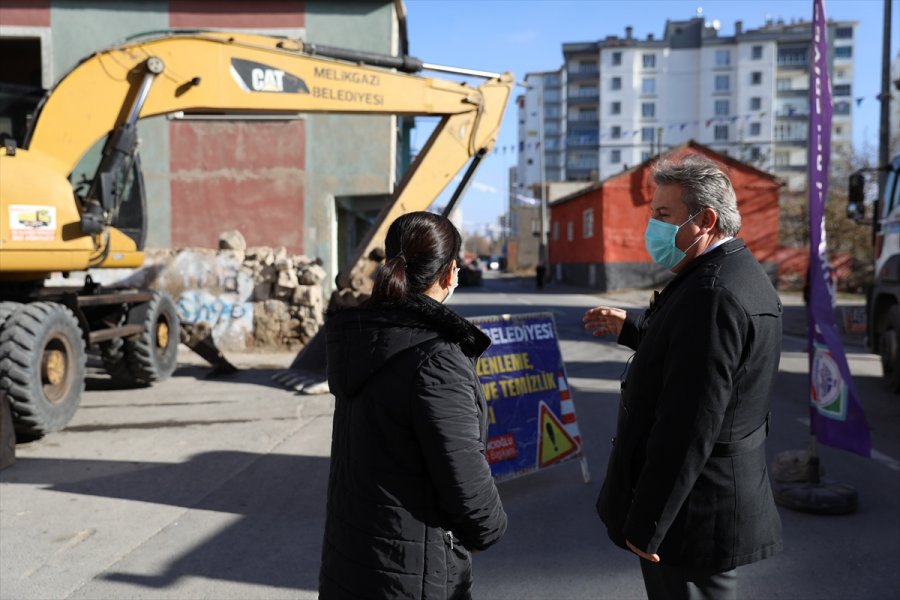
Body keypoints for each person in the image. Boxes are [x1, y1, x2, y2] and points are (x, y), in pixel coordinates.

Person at [583, 154, 783, 600]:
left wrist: (650, 521)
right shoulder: (732, 272)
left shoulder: (711, 293)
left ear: (705, 219)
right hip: (707, 503)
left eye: (663, 214)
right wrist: (634, 329)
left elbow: (690, 423)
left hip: (692, 514)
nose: (652, 227)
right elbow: (700, 358)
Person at [319, 211, 507, 599]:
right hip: (412, 572)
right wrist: (491, 528)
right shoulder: (436, 361)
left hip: (351, 558)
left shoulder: (364, 336)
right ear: (450, 273)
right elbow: (467, 486)